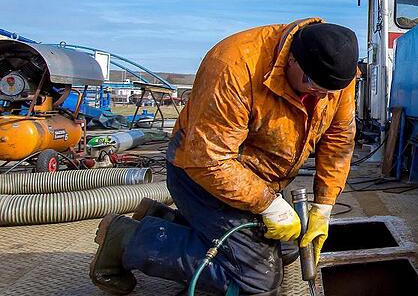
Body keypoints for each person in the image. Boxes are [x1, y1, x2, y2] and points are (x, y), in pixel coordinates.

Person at [89, 19, 359, 295]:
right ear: (292, 59)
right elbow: (210, 159)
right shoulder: (234, 66)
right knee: (257, 280)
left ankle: (166, 223)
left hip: (259, 179)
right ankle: (125, 238)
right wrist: (269, 205)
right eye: (311, 83)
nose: (319, 95)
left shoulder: (336, 75)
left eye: (329, 92)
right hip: (201, 174)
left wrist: (323, 207)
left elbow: (338, 139)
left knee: (289, 248)